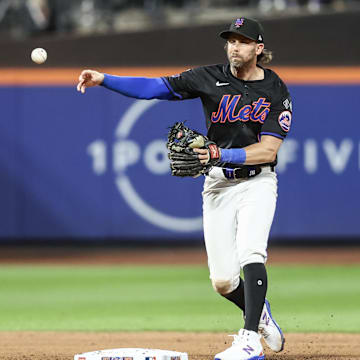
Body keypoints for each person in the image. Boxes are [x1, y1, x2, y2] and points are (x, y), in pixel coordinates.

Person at [77, 17, 292, 360]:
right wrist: (104, 79)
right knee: (222, 281)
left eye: (243, 41)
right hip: (218, 184)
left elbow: (268, 149)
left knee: (251, 252)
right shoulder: (208, 78)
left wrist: (220, 153)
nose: (235, 46)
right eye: (230, 41)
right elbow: (154, 88)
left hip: (257, 180)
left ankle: (249, 340)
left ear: (258, 48)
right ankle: (260, 312)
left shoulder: (275, 89)